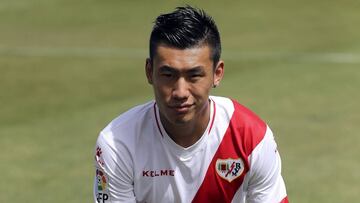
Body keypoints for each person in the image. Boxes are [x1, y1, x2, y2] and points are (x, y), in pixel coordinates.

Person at [94, 6, 288, 203]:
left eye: (194, 76)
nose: (180, 92)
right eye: (168, 75)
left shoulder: (251, 137)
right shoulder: (118, 144)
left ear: (217, 73)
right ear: (149, 72)